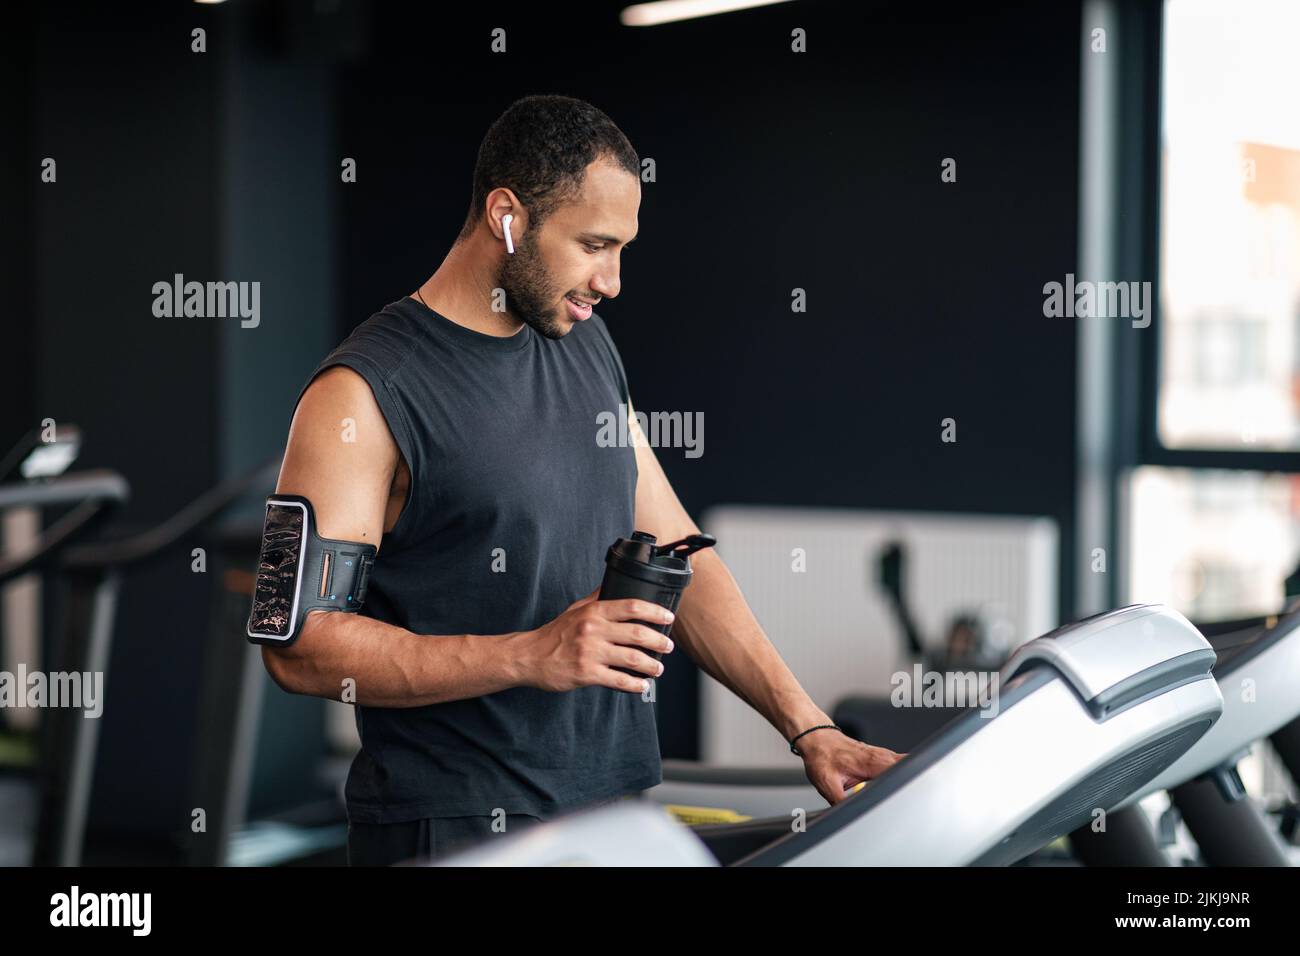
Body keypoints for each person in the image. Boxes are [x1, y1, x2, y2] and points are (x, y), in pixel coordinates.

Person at [260, 93, 902, 866]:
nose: (614, 280)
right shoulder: (360, 394)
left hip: (612, 814)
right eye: (595, 244)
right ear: (507, 215)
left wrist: (811, 729)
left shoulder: (587, 349)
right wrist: (530, 654)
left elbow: (678, 551)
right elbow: (297, 647)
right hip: (455, 827)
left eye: (622, 248)